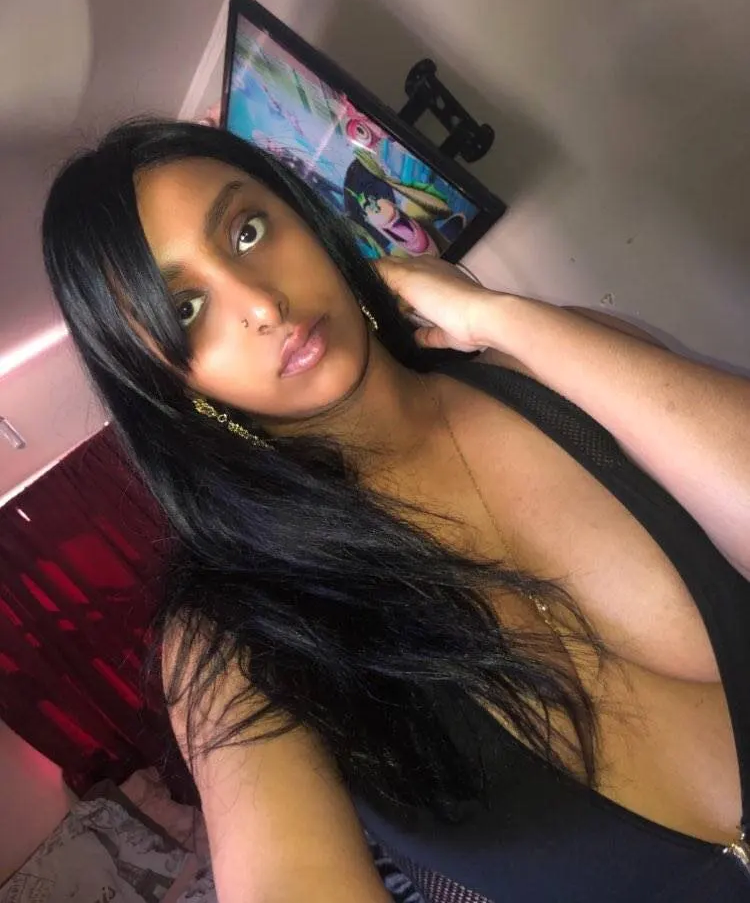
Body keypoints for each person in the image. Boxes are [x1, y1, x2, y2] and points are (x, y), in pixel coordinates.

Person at [42, 119, 750, 903]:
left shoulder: (549, 366)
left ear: (308, 221)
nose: (263, 304)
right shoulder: (230, 635)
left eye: (248, 231)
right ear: (171, 388)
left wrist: (504, 318)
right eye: (185, 308)